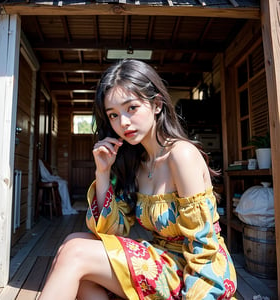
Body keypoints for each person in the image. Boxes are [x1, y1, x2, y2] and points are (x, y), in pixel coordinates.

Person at [39, 59, 237, 300]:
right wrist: (102, 173)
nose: (123, 122)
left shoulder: (181, 155)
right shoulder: (136, 163)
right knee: (74, 245)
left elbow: (204, 247)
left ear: (156, 104)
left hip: (193, 273)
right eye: (113, 115)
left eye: (131, 108)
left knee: (75, 253)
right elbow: (111, 230)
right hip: (162, 264)